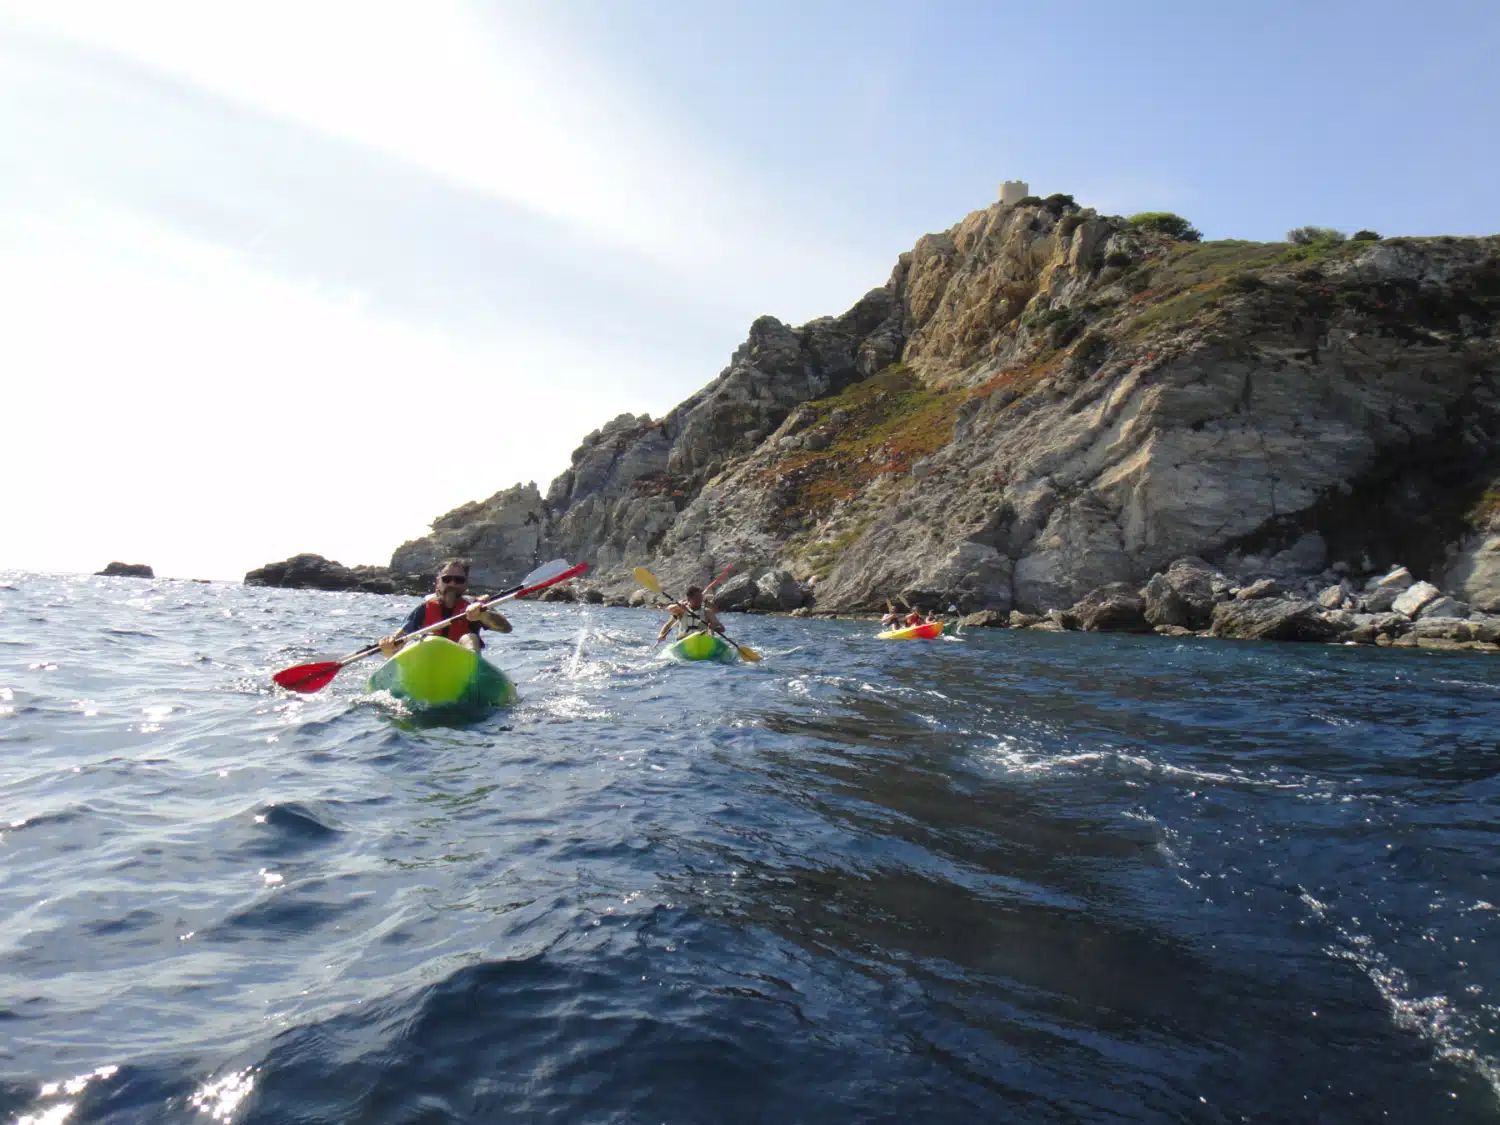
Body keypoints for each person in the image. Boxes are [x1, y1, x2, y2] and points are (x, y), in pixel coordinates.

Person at [379, 558, 511, 658]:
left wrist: (483, 615)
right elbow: (397, 643)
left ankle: (471, 671)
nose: (452, 583)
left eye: (458, 580)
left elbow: (506, 628)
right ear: (438, 582)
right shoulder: (423, 609)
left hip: (461, 663)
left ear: (466, 584)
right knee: (429, 640)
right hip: (427, 663)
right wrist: (389, 647)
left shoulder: (476, 606)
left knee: (470, 638)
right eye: (447, 579)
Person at [656, 584, 723, 643]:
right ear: (689, 598)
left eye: (700, 598)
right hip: (684, 641)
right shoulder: (681, 610)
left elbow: (722, 628)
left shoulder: (707, 611)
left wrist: (713, 627)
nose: (699, 600)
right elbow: (668, 620)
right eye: (696, 598)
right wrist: (661, 635)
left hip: (703, 641)